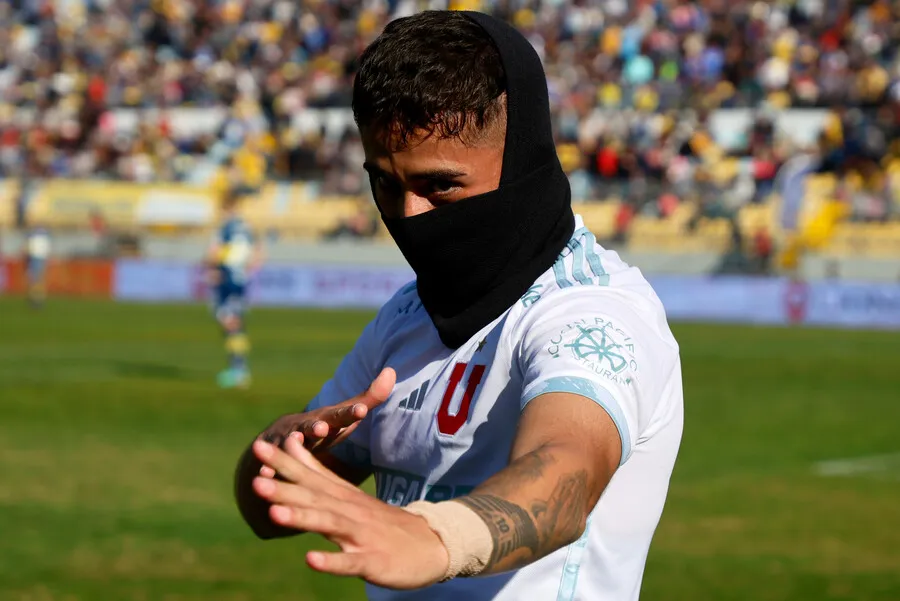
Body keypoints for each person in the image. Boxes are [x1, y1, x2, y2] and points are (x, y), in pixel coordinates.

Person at [234, 11, 683, 601]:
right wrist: (282, 448)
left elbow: (567, 471)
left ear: (519, 162)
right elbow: (265, 507)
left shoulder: (593, 312)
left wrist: (434, 538)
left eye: (440, 186)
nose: (408, 216)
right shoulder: (409, 314)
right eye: (385, 183)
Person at [206, 189, 262, 389]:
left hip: (226, 277)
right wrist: (247, 271)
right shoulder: (247, 227)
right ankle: (239, 370)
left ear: (225, 208)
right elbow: (259, 254)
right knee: (234, 322)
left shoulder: (226, 228)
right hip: (240, 280)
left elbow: (215, 252)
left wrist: (214, 269)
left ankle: (238, 371)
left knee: (229, 322)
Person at [24, 223, 51, 308]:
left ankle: (36, 299)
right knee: (37, 280)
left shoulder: (33, 237)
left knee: (36, 280)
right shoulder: (42, 237)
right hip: (37, 259)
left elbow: (27, 249)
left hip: (36, 259)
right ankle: (37, 299)